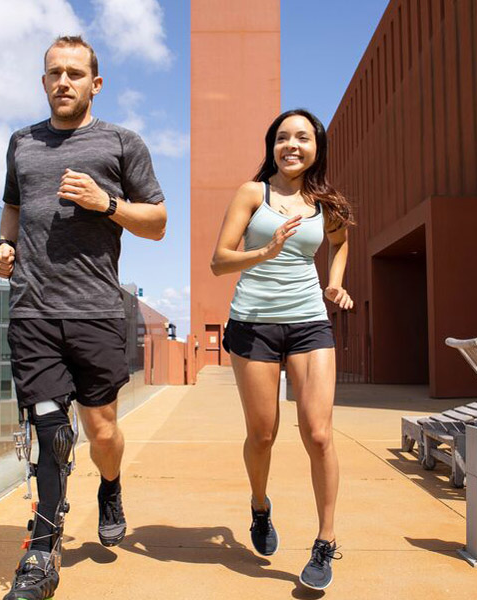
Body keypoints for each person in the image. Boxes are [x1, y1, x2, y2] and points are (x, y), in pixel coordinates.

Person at [0, 35, 167, 600]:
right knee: (50, 431)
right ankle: (42, 552)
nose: (62, 82)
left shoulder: (121, 142)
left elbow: (158, 221)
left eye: (73, 73)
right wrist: (4, 246)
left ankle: (110, 486)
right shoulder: (21, 143)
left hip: (94, 311)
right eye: (52, 73)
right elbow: (14, 206)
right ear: (43, 81)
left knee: (101, 430)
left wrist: (106, 204)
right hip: (32, 310)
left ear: (96, 82)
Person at [210, 108, 354, 590]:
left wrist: (334, 283)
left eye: (303, 138)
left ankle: (325, 540)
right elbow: (219, 261)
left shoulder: (324, 202)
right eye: (282, 138)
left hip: (310, 323)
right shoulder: (255, 194)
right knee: (263, 434)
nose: (292, 145)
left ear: (317, 147)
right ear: (271, 146)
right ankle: (259, 503)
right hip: (254, 325)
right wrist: (265, 252)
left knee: (318, 434)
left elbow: (340, 242)